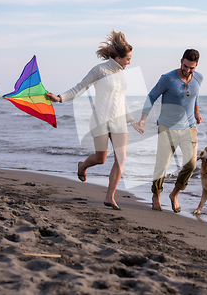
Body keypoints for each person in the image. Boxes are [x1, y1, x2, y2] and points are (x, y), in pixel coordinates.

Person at [47, 30, 143, 210]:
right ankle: (82, 166)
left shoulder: (122, 74)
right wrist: (59, 98)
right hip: (100, 120)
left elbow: (121, 100)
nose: (129, 62)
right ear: (117, 57)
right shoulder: (99, 70)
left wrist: (132, 122)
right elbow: (79, 88)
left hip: (119, 122)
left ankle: (109, 197)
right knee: (101, 158)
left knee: (120, 159)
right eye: (127, 59)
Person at [138, 49, 203, 213]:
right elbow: (151, 96)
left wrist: (196, 113)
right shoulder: (167, 78)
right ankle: (156, 195)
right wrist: (143, 119)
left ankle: (174, 194)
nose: (187, 70)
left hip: (189, 127)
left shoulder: (198, 78)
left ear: (196, 66)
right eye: (185, 66)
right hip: (167, 127)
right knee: (162, 165)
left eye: (191, 68)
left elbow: (195, 95)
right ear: (181, 61)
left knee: (191, 164)